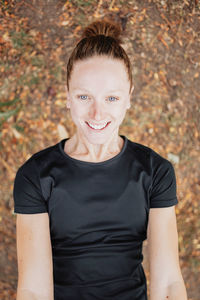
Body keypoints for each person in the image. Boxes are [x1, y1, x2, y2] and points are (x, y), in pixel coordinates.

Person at [13, 20, 188, 300]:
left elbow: (168, 285)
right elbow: (33, 291)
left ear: (128, 98)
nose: (97, 114)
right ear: (68, 96)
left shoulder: (156, 172)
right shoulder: (35, 176)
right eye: (84, 96)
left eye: (111, 98)